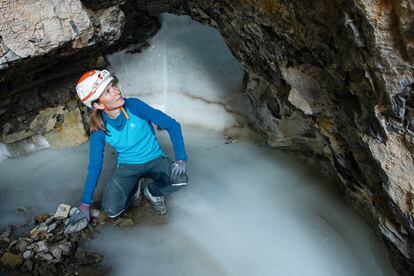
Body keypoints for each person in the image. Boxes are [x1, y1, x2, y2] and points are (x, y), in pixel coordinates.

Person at [69, 69, 188, 225]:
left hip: (155, 160)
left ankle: (153, 192)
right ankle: (134, 185)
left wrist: (180, 158)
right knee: (112, 211)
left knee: (180, 180)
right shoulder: (99, 128)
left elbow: (172, 125)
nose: (117, 91)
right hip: (128, 167)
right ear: (97, 104)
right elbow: (95, 166)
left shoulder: (134, 106)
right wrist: (85, 204)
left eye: (113, 85)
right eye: (107, 92)